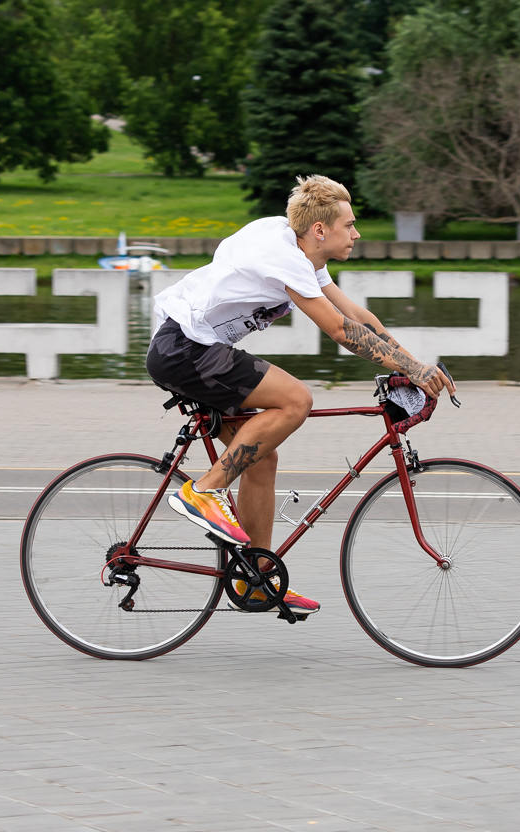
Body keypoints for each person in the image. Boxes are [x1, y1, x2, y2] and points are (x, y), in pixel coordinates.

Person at [147, 175, 455, 613]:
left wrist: (416, 365)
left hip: (191, 348)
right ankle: (204, 491)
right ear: (320, 230)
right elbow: (340, 331)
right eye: (350, 225)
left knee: (260, 454)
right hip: (184, 350)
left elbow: (355, 315)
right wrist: (410, 369)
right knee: (296, 400)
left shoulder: (300, 251)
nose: (357, 233)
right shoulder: (284, 257)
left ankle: (256, 579)